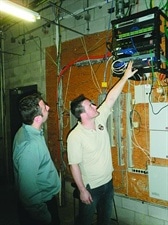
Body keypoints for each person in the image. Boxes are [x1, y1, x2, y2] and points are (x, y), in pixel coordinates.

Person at [67, 61, 137, 225]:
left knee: (104, 220)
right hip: (91, 187)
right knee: (85, 221)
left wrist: (125, 76)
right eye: (89, 105)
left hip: (108, 182)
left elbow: (111, 97)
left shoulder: (99, 119)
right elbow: (74, 165)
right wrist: (82, 190)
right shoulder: (75, 136)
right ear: (82, 114)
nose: (94, 105)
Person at [12, 92, 61, 225]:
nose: (48, 108)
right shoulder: (30, 146)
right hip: (39, 205)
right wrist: (43, 215)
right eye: (45, 107)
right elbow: (27, 189)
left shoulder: (28, 130)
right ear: (38, 118)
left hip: (41, 200)